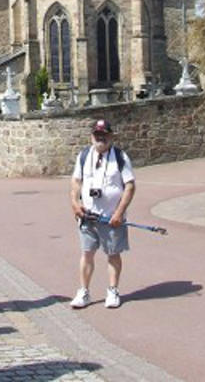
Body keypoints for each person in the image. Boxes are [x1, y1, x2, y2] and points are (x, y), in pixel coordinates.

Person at [69, 119, 136, 310]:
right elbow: (75, 181)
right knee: (87, 254)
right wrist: (75, 204)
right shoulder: (83, 156)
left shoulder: (120, 157)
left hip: (112, 218)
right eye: (97, 135)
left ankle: (113, 290)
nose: (100, 138)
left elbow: (130, 186)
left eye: (104, 135)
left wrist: (119, 213)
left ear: (110, 136)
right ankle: (84, 292)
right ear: (92, 137)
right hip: (87, 217)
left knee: (113, 254)